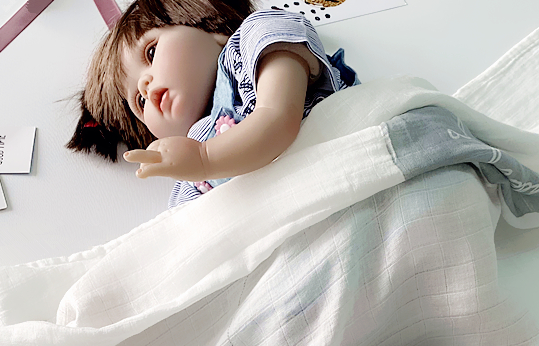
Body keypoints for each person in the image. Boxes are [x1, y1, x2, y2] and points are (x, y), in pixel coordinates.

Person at [67, 0, 359, 206]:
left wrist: (205, 159)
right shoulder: (188, 179)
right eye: (140, 102)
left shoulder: (255, 40)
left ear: (205, 21)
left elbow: (279, 117)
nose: (145, 84)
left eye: (151, 53)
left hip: (342, 178)